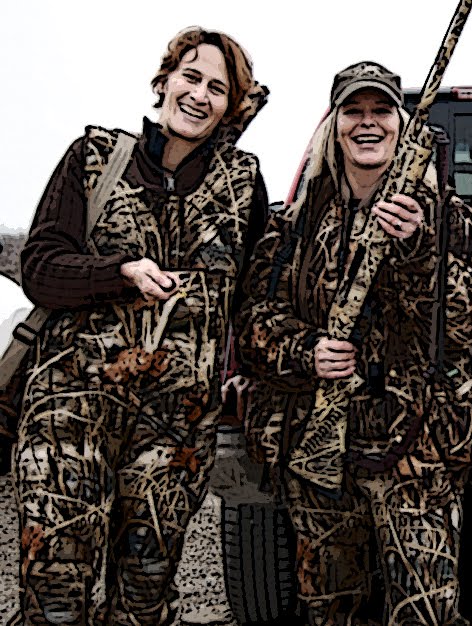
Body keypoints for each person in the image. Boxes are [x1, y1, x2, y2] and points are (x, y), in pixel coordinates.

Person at [14, 27, 268, 625]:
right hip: (70, 415)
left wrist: (247, 373)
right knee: (55, 596)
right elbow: (40, 267)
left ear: (231, 106)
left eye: (217, 88)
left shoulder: (241, 184)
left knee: (144, 595)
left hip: (176, 429)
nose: (199, 95)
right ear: (164, 80)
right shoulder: (96, 158)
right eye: (191, 77)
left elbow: (254, 299)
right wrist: (119, 272)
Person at [237, 61, 472, 625]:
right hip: (317, 452)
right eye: (353, 111)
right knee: (329, 608)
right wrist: (305, 351)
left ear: (403, 127)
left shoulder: (447, 219)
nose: (368, 122)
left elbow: (465, 325)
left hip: (417, 453)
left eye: (382, 110)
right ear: (334, 127)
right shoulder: (295, 223)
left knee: (426, 611)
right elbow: (253, 321)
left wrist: (418, 250)